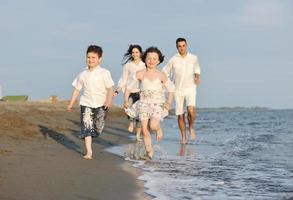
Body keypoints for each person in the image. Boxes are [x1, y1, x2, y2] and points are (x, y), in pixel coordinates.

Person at [124, 47, 175, 159]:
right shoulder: (140, 74)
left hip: (157, 104)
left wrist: (168, 102)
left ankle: (158, 129)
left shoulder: (161, 75)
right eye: (149, 58)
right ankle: (149, 152)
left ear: (158, 60)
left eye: (154, 59)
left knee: (153, 125)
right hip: (143, 104)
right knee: (145, 130)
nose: (151, 61)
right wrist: (126, 100)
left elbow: (171, 89)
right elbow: (128, 87)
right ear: (144, 59)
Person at [67, 45, 114, 160]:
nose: (90, 60)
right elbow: (77, 89)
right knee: (87, 128)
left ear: (100, 59)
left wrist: (109, 100)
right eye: (88, 57)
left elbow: (110, 88)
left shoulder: (104, 73)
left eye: (93, 57)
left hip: (101, 105)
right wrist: (71, 103)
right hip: (86, 103)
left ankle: (95, 132)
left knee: (98, 129)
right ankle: (89, 152)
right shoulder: (82, 74)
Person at [163, 38, 201, 144]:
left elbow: (197, 68)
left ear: (186, 45)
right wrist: (167, 85)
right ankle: (183, 137)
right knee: (180, 115)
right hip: (177, 90)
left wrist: (197, 77)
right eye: (179, 46)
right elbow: (165, 72)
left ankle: (191, 127)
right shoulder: (173, 59)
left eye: (183, 45)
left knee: (191, 110)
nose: (182, 48)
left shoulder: (193, 58)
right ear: (176, 47)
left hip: (190, 88)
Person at [113, 45, 145, 141]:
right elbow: (123, 79)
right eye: (133, 52)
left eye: (137, 52)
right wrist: (117, 90)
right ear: (131, 54)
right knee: (128, 107)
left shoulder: (144, 65)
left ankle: (138, 135)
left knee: (140, 114)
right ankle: (131, 121)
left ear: (140, 53)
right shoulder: (128, 65)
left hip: (141, 92)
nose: (135, 54)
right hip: (130, 91)